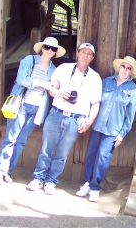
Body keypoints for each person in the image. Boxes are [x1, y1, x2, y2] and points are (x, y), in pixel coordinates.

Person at [26, 42, 102, 195]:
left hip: (76, 119)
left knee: (62, 154)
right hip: (56, 113)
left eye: (89, 54)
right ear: (77, 52)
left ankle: (51, 181)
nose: (85, 56)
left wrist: (88, 123)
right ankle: (38, 178)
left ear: (92, 57)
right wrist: (59, 94)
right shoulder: (64, 68)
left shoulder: (95, 77)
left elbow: (96, 103)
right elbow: (52, 88)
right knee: (46, 149)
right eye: (83, 52)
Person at [0, 37, 66, 185]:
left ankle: (8, 171)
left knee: (20, 141)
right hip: (21, 104)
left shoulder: (53, 70)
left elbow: (53, 88)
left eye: (53, 49)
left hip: (37, 108)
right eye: (47, 47)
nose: (50, 50)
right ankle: (0, 171)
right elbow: (22, 80)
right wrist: (43, 84)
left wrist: (50, 88)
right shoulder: (29, 61)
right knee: (11, 138)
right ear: (41, 48)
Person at [76, 56, 136, 202]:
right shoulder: (105, 82)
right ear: (119, 67)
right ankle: (86, 183)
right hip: (97, 126)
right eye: (123, 66)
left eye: (129, 68)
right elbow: (94, 102)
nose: (125, 70)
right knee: (91, 155)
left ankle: (95, 187)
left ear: (131, 72)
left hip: (113, 130)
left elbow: (130, 116)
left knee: (102, 159)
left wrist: (122, 134)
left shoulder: (133, 90)